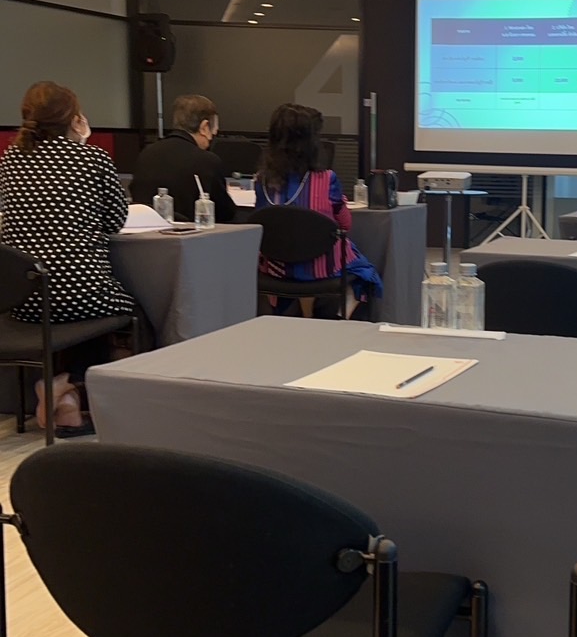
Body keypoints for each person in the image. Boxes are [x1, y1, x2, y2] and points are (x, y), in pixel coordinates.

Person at [0, 81, 137, 435]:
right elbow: (115, 220)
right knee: (129, 311)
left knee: (70, 303)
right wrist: (83, 144)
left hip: (23, 299)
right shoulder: (92, 158)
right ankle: (71, 385)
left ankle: (67, 403)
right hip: (80, 293)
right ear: (75, 119)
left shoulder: (11, 159)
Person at [254, 104, 382, 313]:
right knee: (364, 270)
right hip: (319, 268)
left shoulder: (262, 181)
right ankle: (339, 316)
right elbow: (345, 224)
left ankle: (302, 314)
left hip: (276, 268)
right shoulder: (327, 179)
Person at [130, 93, 235, 223]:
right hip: (192, 233)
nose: (211, 139)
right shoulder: (207, 161)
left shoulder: (146, 154)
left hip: (143, 230)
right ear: (204, 127)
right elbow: (225, 213)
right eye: (213, 133)